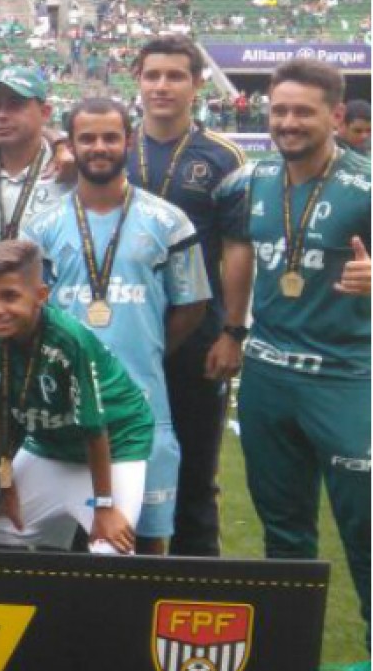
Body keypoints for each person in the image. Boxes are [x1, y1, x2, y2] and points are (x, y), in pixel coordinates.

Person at [25, 97, 210, 556]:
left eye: (111, 137)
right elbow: (31, 313)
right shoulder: (42, 228)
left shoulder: (169, 221)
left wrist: (146, 351)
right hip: (64, 414)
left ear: (127, 141)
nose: (100, 147)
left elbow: (192, 305)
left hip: (143, 411)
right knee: (54, 548)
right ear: (71, 145)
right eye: (88, 138)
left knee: (146, 545)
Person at [224, 58, 369, 628]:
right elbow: (237, 252)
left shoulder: (364, 186)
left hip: (345, 380)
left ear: (334, 115)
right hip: (267, 378)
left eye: (302, 112)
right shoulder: (254, 180)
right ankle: (289, 655)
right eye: (279, 110)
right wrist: (233, 331)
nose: (288, 122)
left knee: (364, 527)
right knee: (283, 529)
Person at [128, 36, 251, 559]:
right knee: (115, 465)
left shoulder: (222, 156)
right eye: (152, 74)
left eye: (175, 75)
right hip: (125, 336)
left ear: (198, 84)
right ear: (137, 79)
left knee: (197, 473)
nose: (162, 86)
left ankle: (197, 586)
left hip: (198, 339)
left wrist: (232, 332)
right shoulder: (113, 146)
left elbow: (238, 249)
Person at [0, 240, 157, 555]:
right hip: (48, 444)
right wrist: (5, 482)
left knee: (108, 548)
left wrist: (105, 507)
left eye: (9, 296)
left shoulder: (69, 339)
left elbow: (95, 429)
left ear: (41, 295)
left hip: (116, 443)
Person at [0, 67, 74, 301]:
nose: (1, 115)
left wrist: (60, 143)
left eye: (15, 104)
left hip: (50, 323)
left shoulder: (70, 172)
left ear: (45, 112)